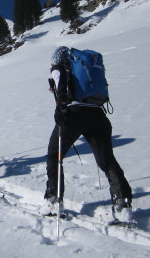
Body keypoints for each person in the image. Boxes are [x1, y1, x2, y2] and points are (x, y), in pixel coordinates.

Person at [41, 46, 133, 221]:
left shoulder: (58, 67)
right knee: (106, 159)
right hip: (98, 115)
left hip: (74, 114)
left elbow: (60, 82)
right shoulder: (81, 69)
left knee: (54, 155)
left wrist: (60, 106)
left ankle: (53, 200)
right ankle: (123, 204)